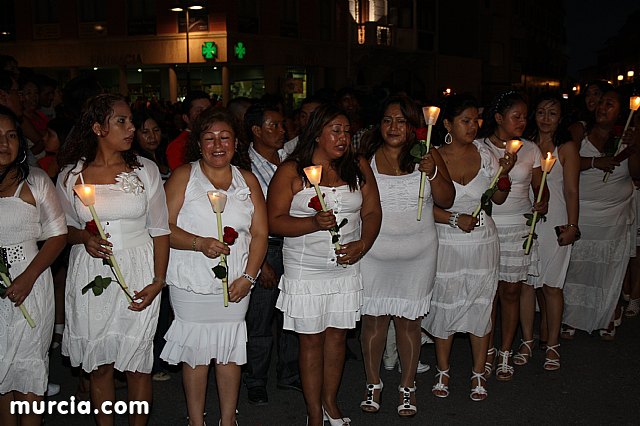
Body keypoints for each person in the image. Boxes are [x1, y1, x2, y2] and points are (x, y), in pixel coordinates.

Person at [56, 93, 170, 425]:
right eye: (121, 121)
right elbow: (63, 230)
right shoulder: (70, 176)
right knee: (100, 364)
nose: (131, 127)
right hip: (90, 271)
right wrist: (84, 238)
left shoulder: (145, 170)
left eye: (130, 120)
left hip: (139, 268)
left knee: (137, 364)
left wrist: (158, 281)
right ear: (96, 128)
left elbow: (160, 229)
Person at [269, 104, 381, 426]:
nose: (343, 137)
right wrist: (311, 224)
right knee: (311, 338)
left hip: (346, 265)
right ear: (317, 133)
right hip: (306, 268)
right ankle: (313, 412)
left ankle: (331, 403)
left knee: (337, 338)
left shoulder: (357, 166)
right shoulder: (292, 170)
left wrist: (363, 244)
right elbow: (273, 221)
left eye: (347, 131)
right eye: (335, 130)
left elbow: (372, 211)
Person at [161, 107, 268, 426]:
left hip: (236, 281)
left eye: (225, 137)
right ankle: (196, 420)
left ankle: (227, 419)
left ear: (237, 142)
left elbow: (261, 233)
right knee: (195, 354)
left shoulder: (247, 179)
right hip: (190, 280)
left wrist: (249, 277)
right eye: (209, 138)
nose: (217, 145)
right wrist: (200, 242)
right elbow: (162, 227)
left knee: (229, 350)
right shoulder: (184, 175)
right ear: (198, 143)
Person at [358, 95, 454, 416]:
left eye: (401, 121)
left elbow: (447, 199)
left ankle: (407, 386)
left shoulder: (428, 154)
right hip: (375, 254)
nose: (393, 127)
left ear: (414, 126)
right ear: (379, 125)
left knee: (409, 324)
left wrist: (434, 172)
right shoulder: (365, 159)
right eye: (387, 120)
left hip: (418, 254)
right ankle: (373, 384)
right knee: (374, 322)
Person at [422, 94, 511, 401]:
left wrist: (504, 177)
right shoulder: (431, 156)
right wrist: (452, 218)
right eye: (465, 120)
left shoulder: (487, 155)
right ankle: (443, 370)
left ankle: (477, 373)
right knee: (445, 302)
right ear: (447, 123)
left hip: (482, 242)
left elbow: (497, 200)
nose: (473, 126)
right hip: (445, 242)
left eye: (476, 120)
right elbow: (420, 207)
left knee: (481, 305)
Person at [0, 106, 67, 426]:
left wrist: (28, 277)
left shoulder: (36, 180)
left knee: (29, 366)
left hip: (33, 282)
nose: (4, 143)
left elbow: (57, 236)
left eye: (12, 135)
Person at [479, 91, 547, 381]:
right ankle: (488, 350)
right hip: (488, 226)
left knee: (511, 291)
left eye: (524, 116)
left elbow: (539, 186)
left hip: (518, 227)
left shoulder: (530, 149)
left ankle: (506, 350)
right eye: (515, 116)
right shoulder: (479, 148)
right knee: (489, 294)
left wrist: (543, 200)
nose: (522, 121)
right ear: (498, 118)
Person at [563, 89, 640, 340]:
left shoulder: (626, 136)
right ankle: (572, 315)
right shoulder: (580, 131)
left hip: (614, 215)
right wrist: (596, 163)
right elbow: (567, 161)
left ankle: (607, 314)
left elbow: (636, 172)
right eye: (600, 103)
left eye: (610, 103)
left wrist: (637, 145)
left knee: (609, 267)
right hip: (582, 211)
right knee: (577, 266)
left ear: (620, 111)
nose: (602, 107)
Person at [516, 93, 580, 371]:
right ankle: (528, 340)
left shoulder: (566, 147)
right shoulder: (525, 146)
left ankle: (552, 343)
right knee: (526, 285)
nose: (545, 118)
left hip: (555, 219)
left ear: (560, 118)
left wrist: (573, 226)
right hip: (527, 219)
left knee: (552, 286)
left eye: (552, 113)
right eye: (541, 112)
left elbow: (571, 190)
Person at [243, 102, 301, 406]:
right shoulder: (245, 168)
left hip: (293, 243)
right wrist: (261, 260)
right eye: (274, 126)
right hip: (266, 247)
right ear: (256, 130)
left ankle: (289, 373)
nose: (282, 131)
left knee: (291, 314)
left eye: (282, 125)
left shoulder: (290, 161)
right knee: (260, 319)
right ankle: (256, 380)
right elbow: (244, 220)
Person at [166, 91, 211, 171]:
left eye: (209, 110)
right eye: (199, 111)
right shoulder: (178, 146)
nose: (206, 115)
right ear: (186, 118)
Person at [133, 111, 170, 179]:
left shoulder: (167, 154)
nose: (152, 136)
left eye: (156, 130)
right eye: (145, 132)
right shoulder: (136, 161)